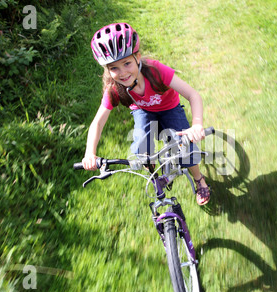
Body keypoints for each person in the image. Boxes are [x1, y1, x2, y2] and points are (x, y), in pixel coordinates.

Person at [82, 22, 210, 206]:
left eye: (127, 63)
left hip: (170, 108)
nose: (123, 73)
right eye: (114, 68)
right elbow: (98, 123)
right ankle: (151, 169)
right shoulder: (114, 88)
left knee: (185, 147)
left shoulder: (156, 71)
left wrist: (197, 124)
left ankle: (199, 179)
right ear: (107, 70)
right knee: (142, 149)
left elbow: (192, 95)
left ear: (137, 57)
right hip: (143, 111)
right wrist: (90, 153)